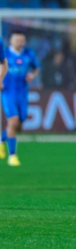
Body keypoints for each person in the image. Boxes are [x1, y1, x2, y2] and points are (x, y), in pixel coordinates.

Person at [1, 32, 40, 166]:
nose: (19, 42)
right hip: (8, 92)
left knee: (19, 125)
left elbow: (36, 68)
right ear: (11, 41)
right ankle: (12, 156)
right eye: (17, 40)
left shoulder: (29, 54)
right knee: (13, 121)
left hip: (22, 93)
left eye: (21, 40)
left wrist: (32, 75)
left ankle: (1, 139)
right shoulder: (4, 53)